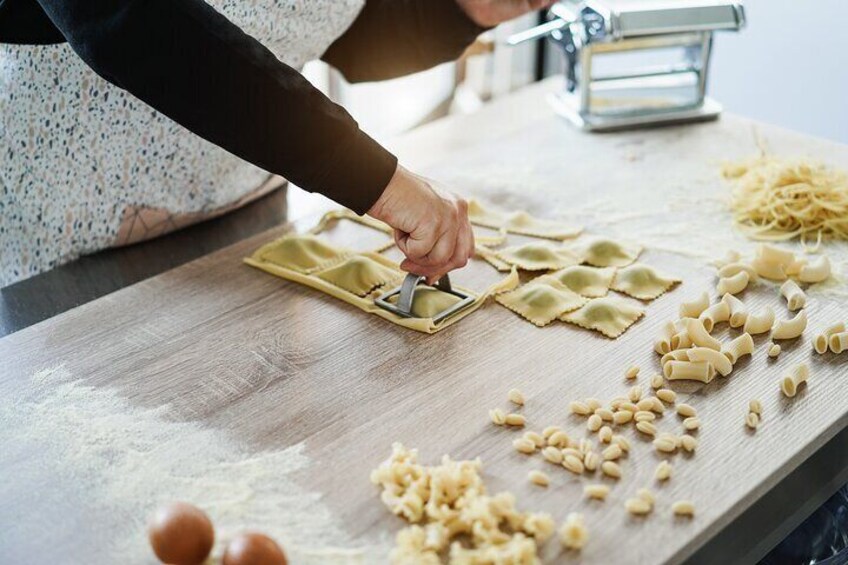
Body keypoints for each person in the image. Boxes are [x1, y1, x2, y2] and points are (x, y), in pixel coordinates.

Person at [0, 0, 553, 286]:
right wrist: (375, 180)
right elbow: (133, 23)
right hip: (64, 242)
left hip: (242, 210)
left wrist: (462, 9)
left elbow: (333, 31)